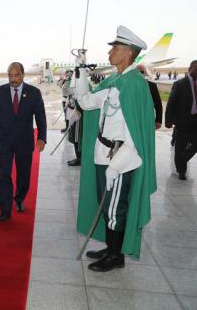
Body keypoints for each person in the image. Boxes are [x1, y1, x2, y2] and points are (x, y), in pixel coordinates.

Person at [76, 25, 156, 272]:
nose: (110, 53)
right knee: (106, 202)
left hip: (121, 158)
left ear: (129, 53)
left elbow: (136, 134)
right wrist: (81, 72)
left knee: (114, 208)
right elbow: (86, 102)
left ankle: (115, 256)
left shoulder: (134, 84)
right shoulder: (114, 80)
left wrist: (116, 166)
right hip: (104, 153)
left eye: (116, 49)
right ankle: (112, 248)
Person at [0, 62, 47, 221]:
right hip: (5, 140)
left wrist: (42, 137)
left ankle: (19, 199)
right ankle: (4, 209)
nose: (13, 79)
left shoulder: (34, 92)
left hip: (24, 140)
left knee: (23, 174)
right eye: (10, 75)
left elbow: (40, 116)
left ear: (23, 75)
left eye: (16, 75)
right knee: (4, 175)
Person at [165, 60, 197, 180]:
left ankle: (182, 159)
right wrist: (168, 120)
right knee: (180, 145)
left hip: (195, 120)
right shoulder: (179, 84)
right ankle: (181, 171)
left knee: (195, 144)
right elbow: (171, 103)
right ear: (190, 69)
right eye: (196, 69)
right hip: (182, 120)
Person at [136, 64, 163, 129]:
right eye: (137, 72)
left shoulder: (152, 86)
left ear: (145, 73)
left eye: (142, 72)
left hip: (148, 119)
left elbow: (158, 104)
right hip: (134, 119)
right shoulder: (130, 86)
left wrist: (158, 121)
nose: (139, 74)